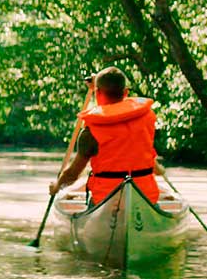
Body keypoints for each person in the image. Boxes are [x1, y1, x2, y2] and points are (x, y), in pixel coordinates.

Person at [49, 66, 164, 204]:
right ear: (126, 92)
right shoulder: (147, 118)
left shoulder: (90, 131)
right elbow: (140, 151)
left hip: (106, 198)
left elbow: (73, 174)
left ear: (97, 93)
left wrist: (56, 186)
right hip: (144, 195)